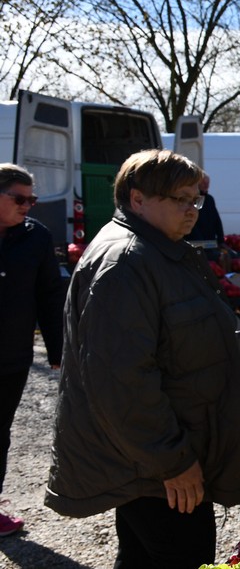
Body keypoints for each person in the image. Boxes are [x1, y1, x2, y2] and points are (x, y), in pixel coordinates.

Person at [45, 149, 240, 568]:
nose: (192, 210)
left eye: (196, 199)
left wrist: (237, 358)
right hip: (156, 467)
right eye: (180, 199)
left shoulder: (163, 251)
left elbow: (175, 343)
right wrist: (173, 462)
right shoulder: (126, 263)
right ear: (138, 199)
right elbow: (120, 382)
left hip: (161, 455)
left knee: (142, 558)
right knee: (184, 556)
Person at [0, 164, 64, 536]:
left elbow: (49, 296)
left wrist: (57, 351)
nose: (27, 206)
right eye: (19, 198)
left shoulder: (36, 237)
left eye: (31, 199)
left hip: (12, 357)